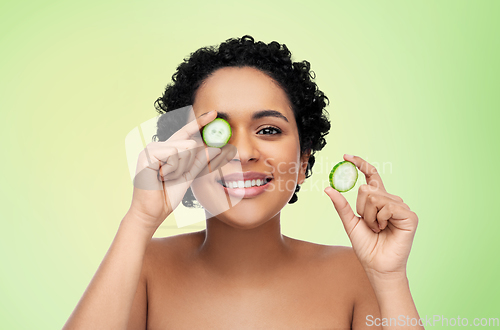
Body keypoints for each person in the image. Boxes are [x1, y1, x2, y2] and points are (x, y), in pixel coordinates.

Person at [64, 35, 423, 329]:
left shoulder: (357, 274)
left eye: (268, 130)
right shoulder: (141, 267)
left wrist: (389, 278)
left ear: (303, 161)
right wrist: (139, 220)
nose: (243, 153)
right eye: (217, 134)